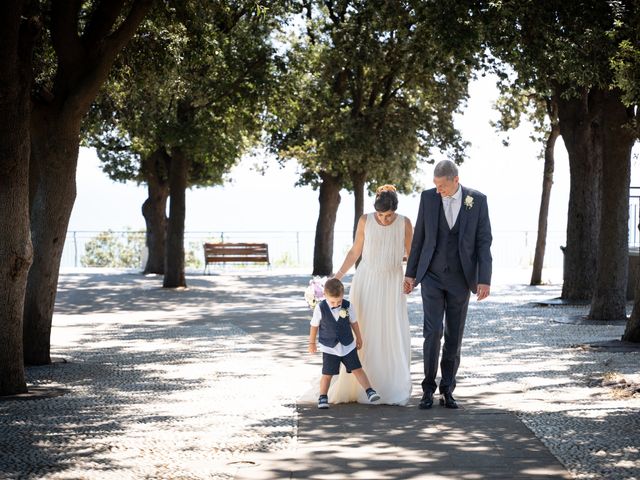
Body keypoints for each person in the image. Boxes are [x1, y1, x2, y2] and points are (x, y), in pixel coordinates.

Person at [404, 160, 492, 409]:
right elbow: (419, 237)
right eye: (435, 185)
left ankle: (448, 389)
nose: (438, 190)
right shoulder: (428, 198)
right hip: (431, 275)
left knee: (454, 335)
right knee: (432, 332)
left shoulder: (477, 200)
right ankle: (428, 388)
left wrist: (484, 279)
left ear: (456, 180)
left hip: (461, 279)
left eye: (442, 185)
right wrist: (410, 275)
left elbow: (484, 241)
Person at [331, 185, 413, 406]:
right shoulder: (365, 220)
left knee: (390, 331)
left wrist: (411, 279)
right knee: (364, 331)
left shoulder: (404, 223)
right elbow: (355, 251)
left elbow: (412, 255)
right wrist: (337, 276)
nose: (385, 219)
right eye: (380, 215)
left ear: (395, 210)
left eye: (388, 215)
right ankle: (361, 386)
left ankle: (389, 385)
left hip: (392, 283)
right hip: (366, 281)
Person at [308, 277, 381, 409]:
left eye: (339, 301)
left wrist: (359, 338)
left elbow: (354, 323)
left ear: (343, 295)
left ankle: (370, 391)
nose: (336, 304)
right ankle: (323, 397)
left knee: (357, 369)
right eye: (333, 301)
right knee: (327, 374)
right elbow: (314, 325)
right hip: (329, 347)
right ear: (325, 295)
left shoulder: (348, 306)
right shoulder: (320, 308)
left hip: (348, 345)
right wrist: (311, 343)